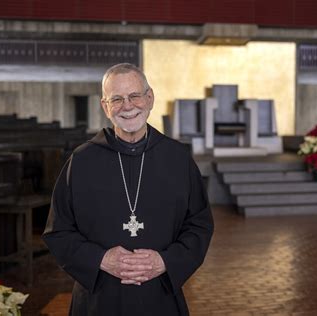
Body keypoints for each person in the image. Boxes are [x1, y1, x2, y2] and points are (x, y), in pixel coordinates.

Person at [42, 63, 214, 315]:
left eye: (134, 96)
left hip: (161, 297)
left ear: (150, 98)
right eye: (117, 99)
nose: (128, 106)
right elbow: (58, 231)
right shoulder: (81, 161)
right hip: (98, 300)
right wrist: (100, 260)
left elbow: (199, 225)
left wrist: (165, 261)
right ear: (105, 106)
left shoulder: (177, 158)